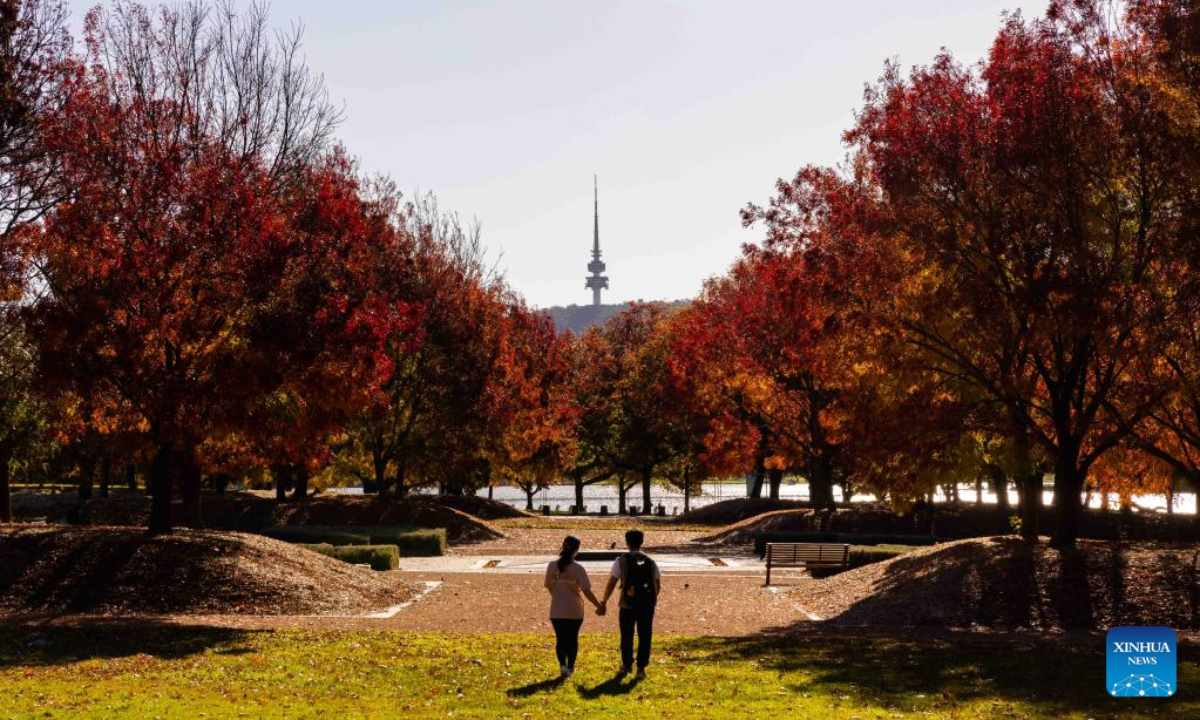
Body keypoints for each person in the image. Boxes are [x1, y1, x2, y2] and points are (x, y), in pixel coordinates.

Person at [599, 529, 660, 680]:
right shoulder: (650, 562)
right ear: (642, 542)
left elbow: (612, 583)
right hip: (646, 605)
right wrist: (651, 599)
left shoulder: (621, 561)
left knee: (627, 635)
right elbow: (657, 584)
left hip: (626, 604)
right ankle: (641, 668)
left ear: (626, 543)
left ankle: (626, 665)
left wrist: (604, 601)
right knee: (645, 635)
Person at [544, 535, 604, 678]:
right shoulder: (578, 568)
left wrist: (558, 597)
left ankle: (562, 665)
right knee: (572, 638)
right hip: (574, 609)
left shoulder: (552, 566)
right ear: (576, 550)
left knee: (560, 639)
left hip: (557, 609)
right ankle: (570, 666)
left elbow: (549, 587)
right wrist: (598, 605)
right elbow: (586, 591)